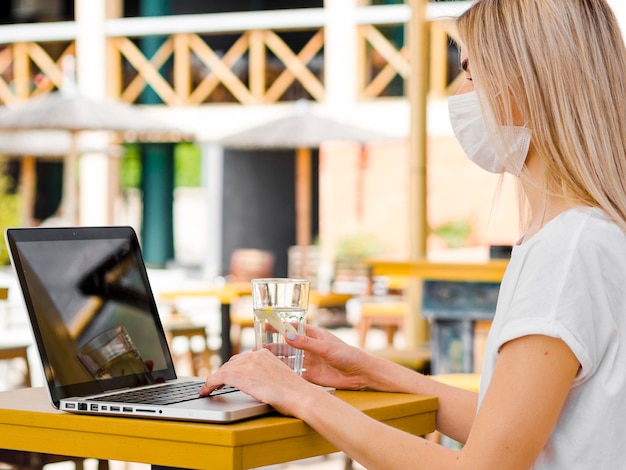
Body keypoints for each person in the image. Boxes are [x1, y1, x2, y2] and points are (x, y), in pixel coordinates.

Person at [201, 0, 626, 467]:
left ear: (526, 81)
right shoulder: (587, 234)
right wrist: (368, 371)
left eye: (471, 72)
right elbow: (510, 431)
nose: (461, 92)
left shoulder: (568, 252)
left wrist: (300, 396)